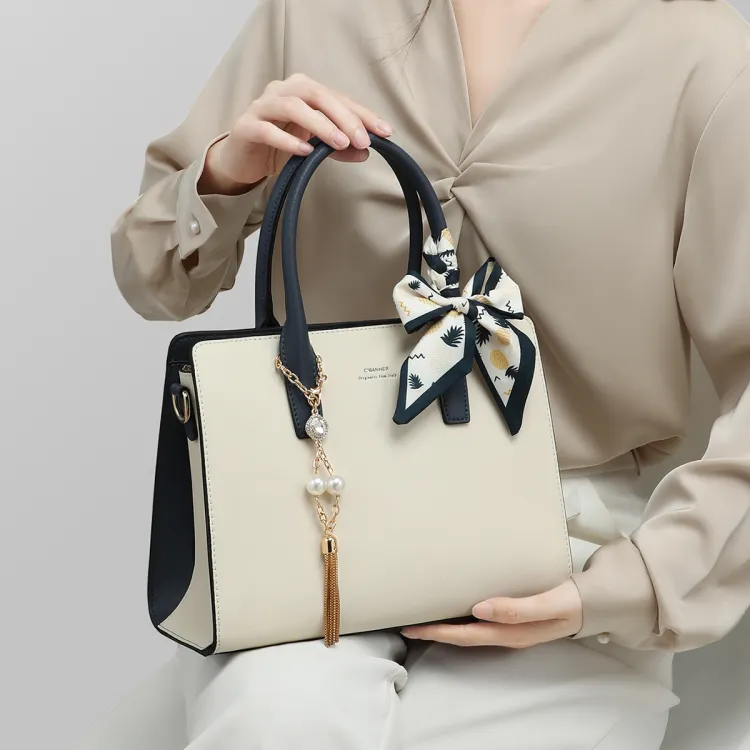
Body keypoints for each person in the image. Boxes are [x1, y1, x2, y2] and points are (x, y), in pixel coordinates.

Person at [110, 0, 750, 747]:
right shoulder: (313, 16)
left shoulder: (702, 54)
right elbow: (151, 275)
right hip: (318, 521)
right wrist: (226, 171)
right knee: (271, 724)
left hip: (567, 552)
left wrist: (636, 583)